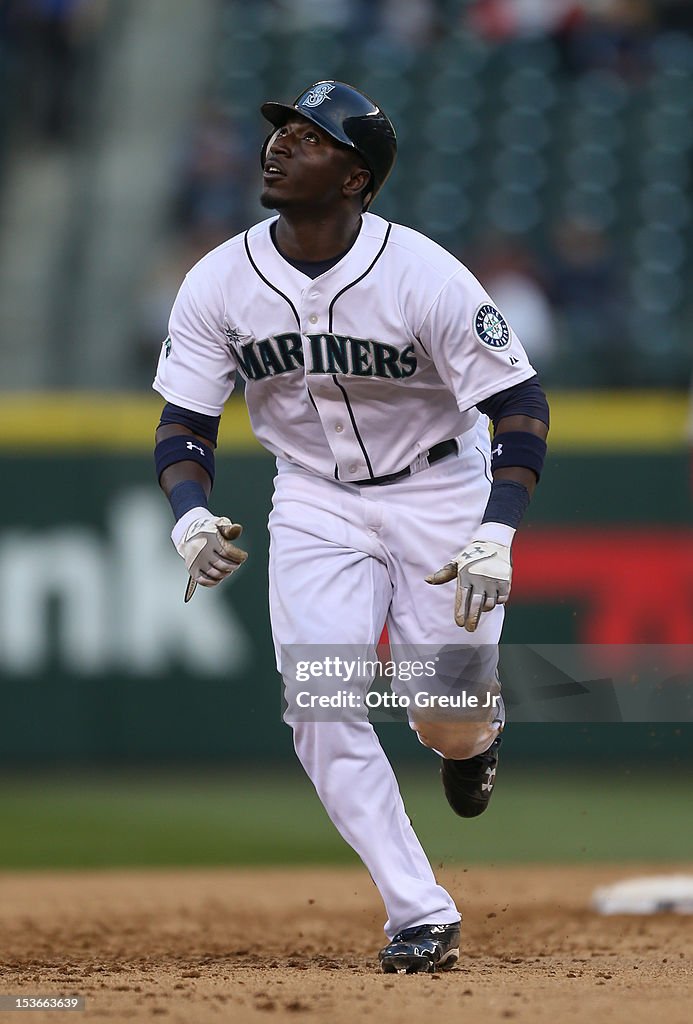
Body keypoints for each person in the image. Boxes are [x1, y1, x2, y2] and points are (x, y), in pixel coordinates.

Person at [152, 81, 549, 974]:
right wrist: (187, 516)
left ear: (356, 179)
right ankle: (420, 910)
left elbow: (518, 404)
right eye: (281, 130)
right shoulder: (219, 278)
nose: (281, 144)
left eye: (309, 136)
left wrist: (497, 530)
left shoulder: (425, 275)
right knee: (321, 696)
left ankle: (471, 744)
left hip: (440, 494)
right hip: (314, 499)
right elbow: (183, 425)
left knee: (447, 712)